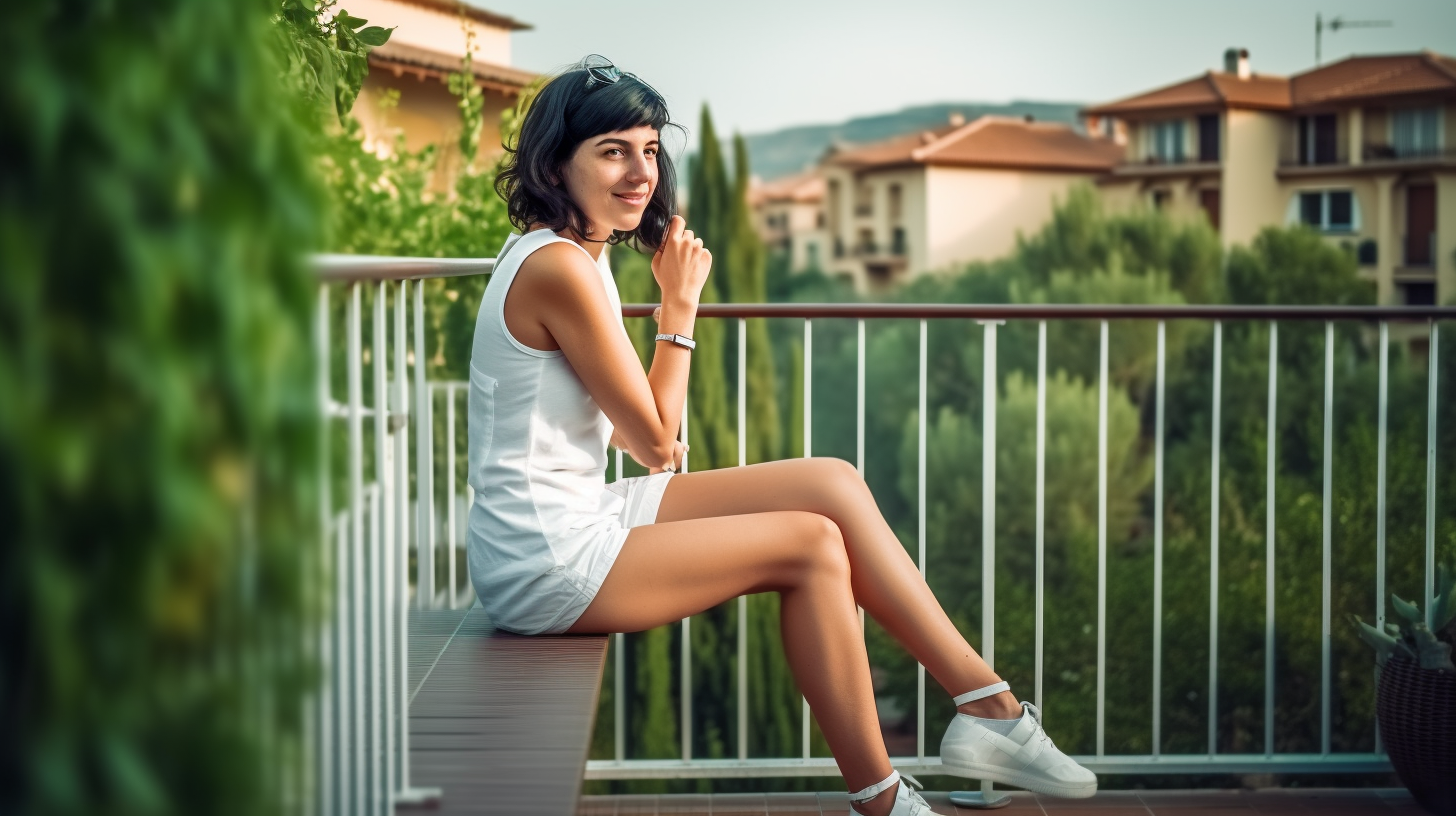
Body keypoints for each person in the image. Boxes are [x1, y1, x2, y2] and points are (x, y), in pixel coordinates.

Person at [468, 55, 1097, 816]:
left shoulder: (578, 256)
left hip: (578, 512)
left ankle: (985, 706)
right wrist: (679, 308)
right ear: (554, 164)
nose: (642, 171)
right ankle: (886, 796)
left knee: (829, 479)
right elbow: (657, 442)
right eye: (613, 151)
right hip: (545, 556)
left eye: (648, 148)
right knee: (810, 543)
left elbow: (650, 439)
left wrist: (670, 325)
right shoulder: (561, 269)